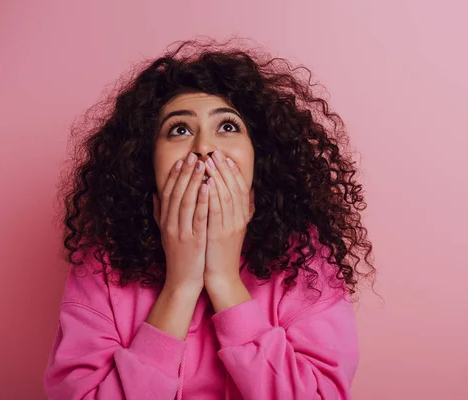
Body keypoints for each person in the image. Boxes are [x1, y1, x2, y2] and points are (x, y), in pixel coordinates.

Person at [43, 38, 375, 400]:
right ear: (147, 163)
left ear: (258, 157)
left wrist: (224, 280)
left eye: (228, 127)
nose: (204, 147)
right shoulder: (100, 265)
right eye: (180, 130)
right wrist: (181, 285)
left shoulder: (307, 261)